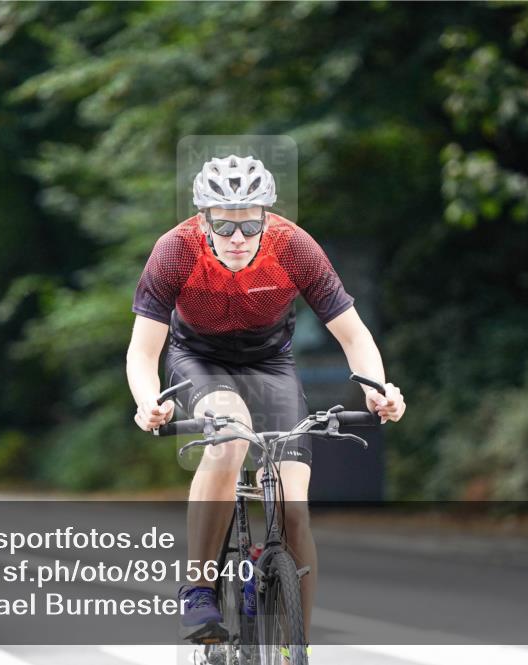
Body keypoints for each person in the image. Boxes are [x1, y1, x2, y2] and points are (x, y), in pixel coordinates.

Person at [126, 155, 407, 651]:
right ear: (203, 219)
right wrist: (149, 401)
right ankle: (199, 588)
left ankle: (295, 644)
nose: (237, 236)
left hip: (269, 364)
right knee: (229, 438)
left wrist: (377, 388)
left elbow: (354, 335)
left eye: (250, 223)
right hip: (200, 360)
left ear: (267, 218)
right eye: (224, 223)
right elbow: (143, 350)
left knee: (294, 507)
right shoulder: (175, 250)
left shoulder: (294, 247)